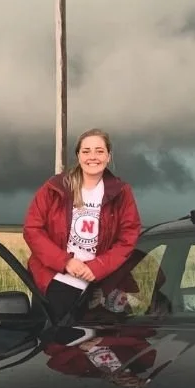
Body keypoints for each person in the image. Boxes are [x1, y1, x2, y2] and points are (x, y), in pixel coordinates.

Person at [23, 128, 142, 323]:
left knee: (95, 346)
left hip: (99, 288)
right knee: (52, 347)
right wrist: (66, 262)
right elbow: (32, 229)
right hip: (57, 284)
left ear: (109, 156)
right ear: (78, 155)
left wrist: (97, 267)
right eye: (86, 151)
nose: (92, 157)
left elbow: (128, 237)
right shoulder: (55, 188)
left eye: (99, 151)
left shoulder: (121, 192)